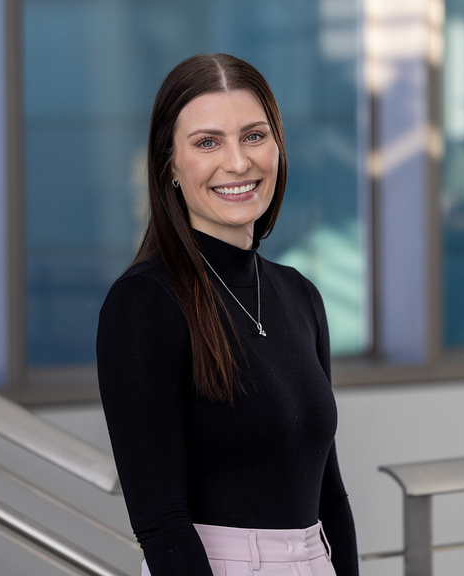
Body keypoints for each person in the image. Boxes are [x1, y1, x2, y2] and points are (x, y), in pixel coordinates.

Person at [96, 53, 359, 576]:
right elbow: (161, 521)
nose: (238, 163)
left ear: (279, 147)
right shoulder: (144, 303)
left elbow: (329, 494)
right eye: (207, 142)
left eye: (255, 136)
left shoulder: (299, 295)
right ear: (169, 163)